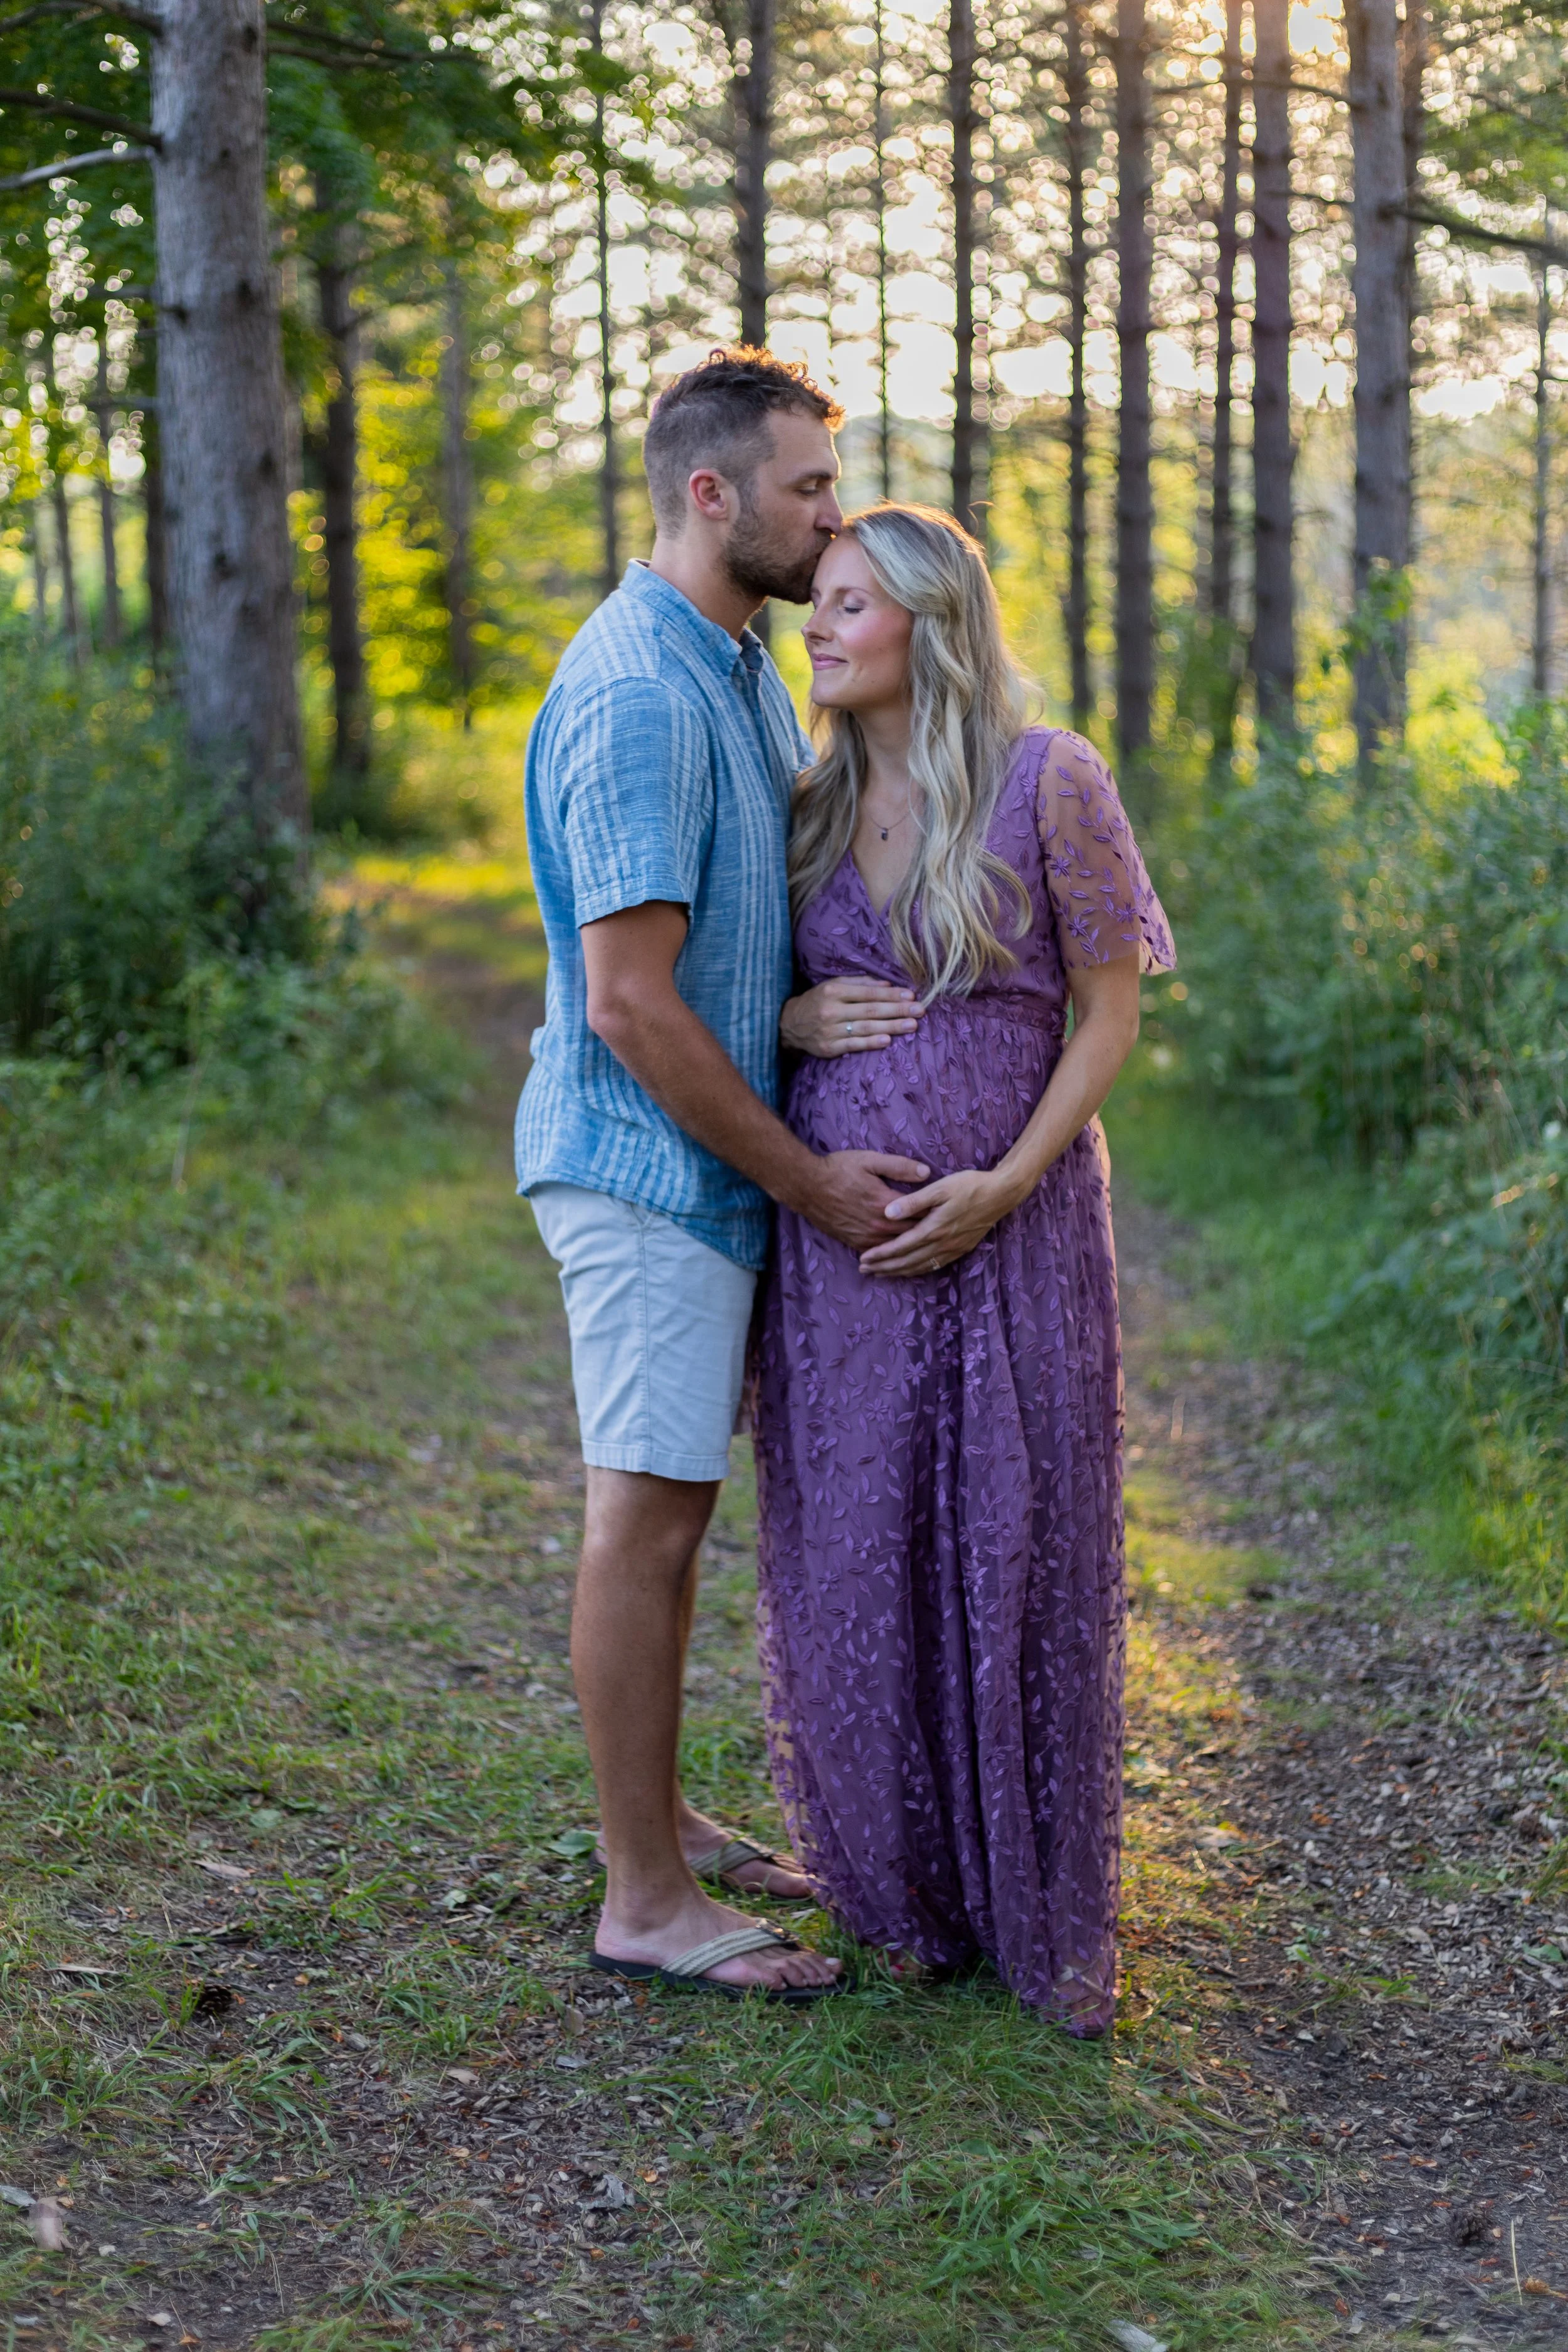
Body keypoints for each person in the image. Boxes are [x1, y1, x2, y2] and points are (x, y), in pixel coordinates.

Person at [515, 352, 932, 2001]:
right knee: (648, 1519)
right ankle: (641, 1895)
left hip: (701, 1159)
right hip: (643, 1171)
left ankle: (664, 1819)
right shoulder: (633, 688)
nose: (832, 515)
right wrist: (816, 1181)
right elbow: (623, 999)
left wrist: (787, 1009)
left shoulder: (737, 663)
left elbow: (707, 935)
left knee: (679, 1514)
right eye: (808, 487)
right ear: (712, 495)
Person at [751, 504, 1175, 2033]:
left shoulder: (1048, 778)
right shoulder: (801, 800)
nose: (819, 624)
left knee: (1011, 1536)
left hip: (1018, 1231)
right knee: (857, 1542)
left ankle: (1025, 1890)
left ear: (928, 623)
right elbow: (744, 993)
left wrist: (1004, 1183)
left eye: (851, 605)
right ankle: (899, 1892)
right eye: (821, 602)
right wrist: (795, 1030)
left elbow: (1110, 1013)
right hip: (839, 1252)